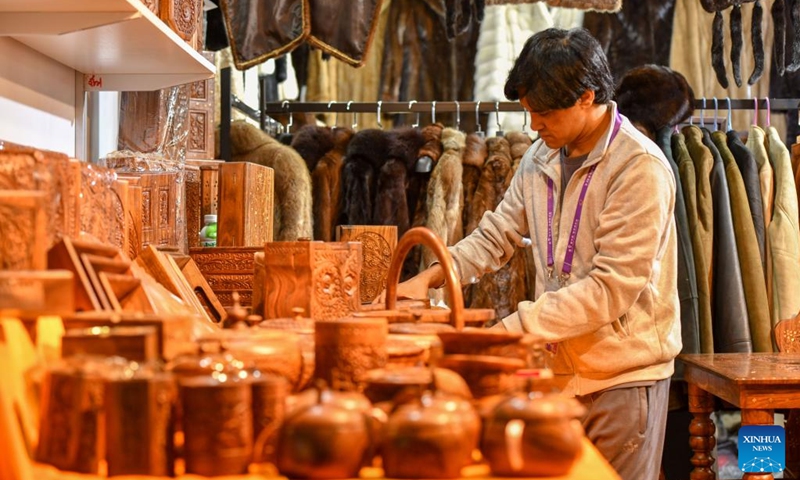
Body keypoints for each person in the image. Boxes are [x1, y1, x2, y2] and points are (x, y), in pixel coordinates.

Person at [391, 28, 682, 480]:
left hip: (621, 378)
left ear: (587, 97)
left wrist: (508, 335)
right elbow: (497, 235)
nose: (533, 126)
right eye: (528, 112)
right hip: (557, 371)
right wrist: (430, 276)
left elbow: (610, 288)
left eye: (543, 112)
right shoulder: (540, 156)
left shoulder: (638, 167)